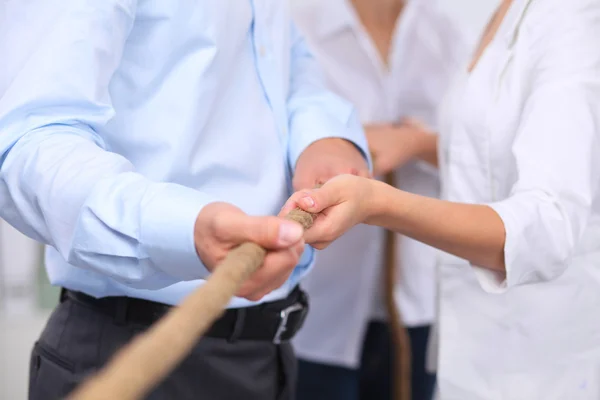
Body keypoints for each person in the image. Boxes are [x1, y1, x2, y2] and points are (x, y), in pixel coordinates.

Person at [0, 1, 371, 399]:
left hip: (266, 356)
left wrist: (323, 136)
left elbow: (288, 60)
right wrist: (182, 229)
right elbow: (28, 142)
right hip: (135, 357)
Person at [283, 0, 600, 398]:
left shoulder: (570, 21)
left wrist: (381, 202)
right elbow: (481, 154)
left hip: (532, 356)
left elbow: (547, 226)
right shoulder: (508, 15)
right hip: (463, 339)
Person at [291, 0, 466, 399]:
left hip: (416, 297)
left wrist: (415, 143)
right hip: (320, 299)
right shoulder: (297, 23)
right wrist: (349, 142)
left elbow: (483, 154)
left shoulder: (446, 33)